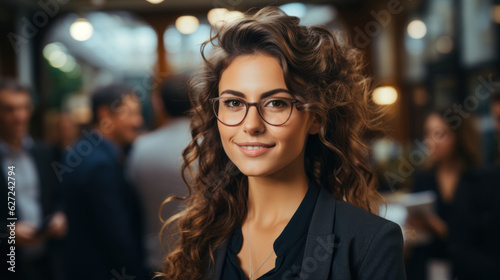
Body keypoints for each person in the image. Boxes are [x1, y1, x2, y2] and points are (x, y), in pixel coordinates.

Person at [157, 7, 405, 280]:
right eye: (234, 103)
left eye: (275, 103)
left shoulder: (369, 243)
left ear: (316, 118)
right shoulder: (201, 234)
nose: (251, 124)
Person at [60, 84, 148, 280]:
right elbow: (118, 236)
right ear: (105, 115)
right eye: (131, 113)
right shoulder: (101, 165)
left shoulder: (80, 150)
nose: (138, 121)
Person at [0, 77, 66, 280]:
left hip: (48, 262)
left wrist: (61, 215)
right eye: (10, 109)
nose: (18, 116)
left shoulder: (44, 153)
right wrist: (7, 232)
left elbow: (59, 196)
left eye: (24, 108)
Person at [405, 110, 482, 280]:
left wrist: (440, 228)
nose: (430, 141)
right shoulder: (422, 179)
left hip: (470, 269)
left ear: (458, 135)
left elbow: (482, 235)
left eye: (439, 134)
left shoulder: (478, 180)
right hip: (428, 267)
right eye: (427, 133)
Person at [127, 74, 191, 272]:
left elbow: (131, 198)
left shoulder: (140, 148)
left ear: (158, 104)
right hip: (206, 258)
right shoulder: (213, 147)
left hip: (156, 259)